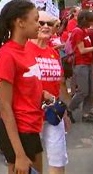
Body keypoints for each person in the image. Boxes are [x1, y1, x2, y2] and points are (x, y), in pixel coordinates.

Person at [0, 0, 53, 174]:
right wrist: (19, 154)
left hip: (32, 127)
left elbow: (25, 87)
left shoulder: (27, 49)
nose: (39, 26)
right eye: (35, 20)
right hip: (19, 132)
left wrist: (43, 94)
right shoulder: (6, 56)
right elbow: (5, 107)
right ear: (20, 22)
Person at [25, 11, 70, 174]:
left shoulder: (54, 52)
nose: (45, 26)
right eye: (41, 22)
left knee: (58, 158)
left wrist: (64, 114)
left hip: (52, 114)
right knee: (33, 162)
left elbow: (58, 85)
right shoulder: (24, 49)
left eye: (49, 24)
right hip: (30, 115)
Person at [67, 10, 93, 124]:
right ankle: (69, 109)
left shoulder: (83, 31)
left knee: (90, 91)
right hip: (81, 64)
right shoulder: (78, 31)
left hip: (88, 63)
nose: (92, 22)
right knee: (83, 91)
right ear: (85, 20)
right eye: (91, 20)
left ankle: (86, 114)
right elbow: (82, 50)